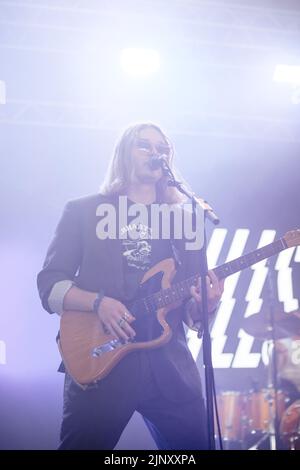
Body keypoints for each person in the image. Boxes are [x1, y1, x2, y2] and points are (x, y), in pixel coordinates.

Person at [37, 122, 224, 450]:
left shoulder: (186, 220)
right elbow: (49, 286)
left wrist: (207, 305)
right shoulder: (84, 212)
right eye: (144, 146)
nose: (155, 153)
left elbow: (196, 312)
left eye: (162, 149)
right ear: (124, 154)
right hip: (102, 361)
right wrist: (98, 302)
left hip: (170, 367)